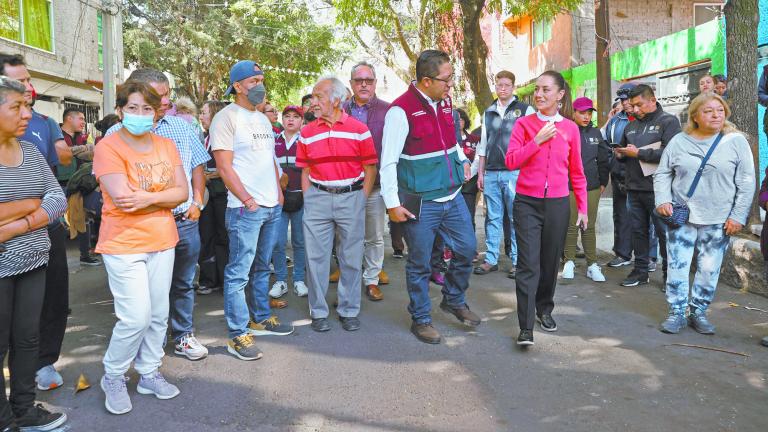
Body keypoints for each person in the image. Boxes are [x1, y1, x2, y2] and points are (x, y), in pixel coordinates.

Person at [94, 81, 188, 415]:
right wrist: (161, 199)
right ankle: (114, 375)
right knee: (136, 317)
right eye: (132, 108)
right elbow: (123, 198)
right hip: (123, 243)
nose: (139, 114)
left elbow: (182, 193)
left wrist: (147, 197)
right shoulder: (109, 146)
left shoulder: (166, 145)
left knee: (159, 315)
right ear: (120, 111)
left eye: (147, 108)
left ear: (157, 111)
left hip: (163, 241)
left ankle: (149, 371)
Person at [107, 69, 211, 362]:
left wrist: (197, 201)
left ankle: (182, 335)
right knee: (143, 295)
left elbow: (197, 169)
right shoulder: (115, 136)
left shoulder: (180, 129)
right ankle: (139, 347)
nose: (164, 101)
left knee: (183, 282)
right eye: (157, 95)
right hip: (136, 228)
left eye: (167, 94)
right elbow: (121, 193)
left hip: (183, 221)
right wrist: (165, 197)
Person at [381, 49, 479, 344]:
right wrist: (392, 205)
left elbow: (453, 141)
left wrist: (462, 158)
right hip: (420, 202)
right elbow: (388, 161)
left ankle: (453, 298)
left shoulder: (446, 103)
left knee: (466, 249)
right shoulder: (400, 111)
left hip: (452, 195)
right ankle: (421, 319)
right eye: (446, 80)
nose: (451, 85)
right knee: (420, 264)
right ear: (426, 81)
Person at [210, 60, 293, 361]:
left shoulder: (261, 119)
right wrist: (247, 200)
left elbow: (270, 160)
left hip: (271, 206)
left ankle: (260, 319)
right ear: (237, 86)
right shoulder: (226, 118)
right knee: (238, 273)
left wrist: (279, 194)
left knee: (263, 267)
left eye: (261, 79)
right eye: (253, 81)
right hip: (246, 209)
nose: (260, 85)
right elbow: (223, 167)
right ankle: (237, 334)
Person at [0, 52, 72, 392]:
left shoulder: (42, 122)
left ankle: (43, 364)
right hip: (8, 250)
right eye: (19, 81)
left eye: (28, 80)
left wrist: (28, 212)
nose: (29, 87)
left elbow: (53, 190)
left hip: (44, 228)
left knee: (52, 300)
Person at [655, 93, 754, 334]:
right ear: (695, 116)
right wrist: (663, 199)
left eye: (720, 111)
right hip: (682, 216)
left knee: (709, 268)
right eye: (709, 111)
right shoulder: (680, 141)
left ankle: (698, 311)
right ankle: (677, 312)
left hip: (719, 218)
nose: (716, 115)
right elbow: (662, 173)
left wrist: (738, 215)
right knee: (678, 265)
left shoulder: (735, 141)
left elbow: (747, 181)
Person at [505, 70, 587, 346]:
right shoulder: (524, 125)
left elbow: (577, 172)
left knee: (550, 263)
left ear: (560, 95)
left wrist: (583, 209)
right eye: (537, 90)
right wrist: (536, 141)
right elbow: (511, 161)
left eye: (546, 90)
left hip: (558, 204)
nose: (539, 95)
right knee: (529, 264)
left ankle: (544, 309)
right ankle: (526, 327)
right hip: (527, 202)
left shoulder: (571, 128)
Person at [297, 76, 377, 333]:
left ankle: (348, 310)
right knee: (316, 258)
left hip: (351, 197)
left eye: (319, 96)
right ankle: (318, 311)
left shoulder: (358, 129)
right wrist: (310, 197)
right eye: (313, 97)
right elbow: (305, 169)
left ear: (336, 99)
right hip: (317, 199)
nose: (314, 102)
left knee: (351, 257)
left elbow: (369, 166)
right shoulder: (307, 132)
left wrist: (361, 198)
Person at [614, 84, 681, 287]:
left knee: (664, 234)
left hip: (659, 191)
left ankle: (670, 275)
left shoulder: (668, 122)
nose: (635, 110)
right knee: (638, 232)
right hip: (634, 188)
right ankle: (640, 271)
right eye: (632, 106)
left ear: (652, 100)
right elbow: (626, 153)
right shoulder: (630, 126)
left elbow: (672, 154)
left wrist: (640, 153)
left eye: (639, 105)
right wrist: (621, 154)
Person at [475, 70, 534, 278]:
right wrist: (480, 173)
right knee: (493, 217)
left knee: (516, 217)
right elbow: (483, 146)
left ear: (513, 87)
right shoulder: (488, 111)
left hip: (515, 173)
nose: (503, 88)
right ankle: (491, 259)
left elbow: (532, 143)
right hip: (491, 173)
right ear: (496, 85)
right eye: (500, 84)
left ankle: (518, 261)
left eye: (507, 85)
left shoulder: (525, 110)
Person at [342, 61, 392, 301]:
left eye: (368, 80)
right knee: (347, 236)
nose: (364, 84)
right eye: (358, 80)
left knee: (374, 236)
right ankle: (349, 278)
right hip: (344, 187)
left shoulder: (388, 111)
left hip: (376, 185)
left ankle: (371, 279)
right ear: (351, 83)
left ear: (374, 83)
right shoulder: (339, 110)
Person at [561, 97, 610, 282]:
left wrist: (602, 182)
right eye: (582, 113)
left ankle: (592, 264)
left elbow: (603, 160)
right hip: (569, 187)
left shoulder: (596, 133)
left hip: (592, 187)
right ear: (574, 113)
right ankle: (569, 261)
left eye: (589, 113)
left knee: (588, 226)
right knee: (571, 225)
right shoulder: (565, 130)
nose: (586, 116)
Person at [269, 105, 309, 299]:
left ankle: (299, 279)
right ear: (282, 120)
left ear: (302, 121)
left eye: (295, 117)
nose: (291, 120)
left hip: (301, 198)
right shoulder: (273, 140)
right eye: (287, 116)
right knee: (278, 242)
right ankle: (281, 280)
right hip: (279, 199)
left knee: (300, 241)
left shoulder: (305, 140)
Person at [59, 107, 101, 266]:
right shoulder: (57, 135)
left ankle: (85, 254)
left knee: (84, 217)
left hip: (80, 184)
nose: (84, 122)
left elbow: (92, 153)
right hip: (60, 183)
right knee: (59, 222)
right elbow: (61, 153)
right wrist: (80, 150)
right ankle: (58, 258)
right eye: (81, 119)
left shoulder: (82, 137)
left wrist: (81, 149)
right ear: (69, 118)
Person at [197, 100, 229, 295]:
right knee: (206, 235)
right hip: (207, 194)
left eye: (204, 113)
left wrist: (210, 174)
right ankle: (209, 279)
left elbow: (229, 166)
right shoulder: (205, 137)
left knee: (223, 236)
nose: (201, 117)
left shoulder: (225, 137)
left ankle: (225, 279)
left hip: (223, 193)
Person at [603, 83, 635, 268]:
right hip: (618, 174)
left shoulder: (646, 120)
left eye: (628, 98)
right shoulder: (616, 120)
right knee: (620, 214)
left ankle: (648, 258)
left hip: (640, 176)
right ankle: (622, 253)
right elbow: (607, 144)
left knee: (643, 218)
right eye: (622, 99)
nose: (625, 102)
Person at [456, 108, 480, 233]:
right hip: (452, 184)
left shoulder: (475, 139)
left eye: (461, 119)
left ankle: (470, 247)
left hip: (469, 185)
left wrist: (468, 174)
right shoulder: (447, 139)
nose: (458, 122)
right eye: (456, 119)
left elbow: (477, 160)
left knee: (468, 216)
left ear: (465, 121)